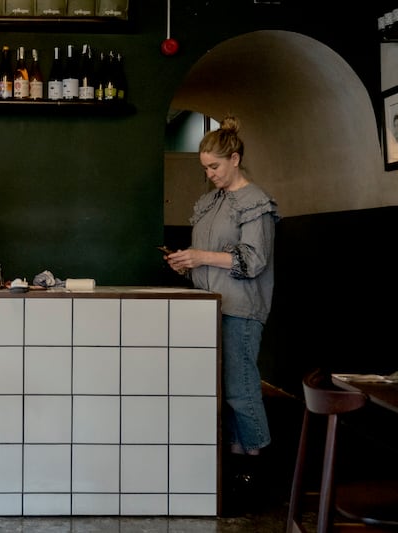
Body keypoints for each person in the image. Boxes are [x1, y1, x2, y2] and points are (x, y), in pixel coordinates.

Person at [163, 116, 279, 513]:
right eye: (205, 168)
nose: (209, 174)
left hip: (241, 310)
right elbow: (211, 259)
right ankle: (235, 469)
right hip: (208, 308)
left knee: (241, 392)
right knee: (221, 393)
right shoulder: (211, 202)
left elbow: (254, 261)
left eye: (214, 166)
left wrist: (201, 256)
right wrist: (187, 263)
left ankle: (259, 474)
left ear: (235, 158)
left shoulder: (255, 202)